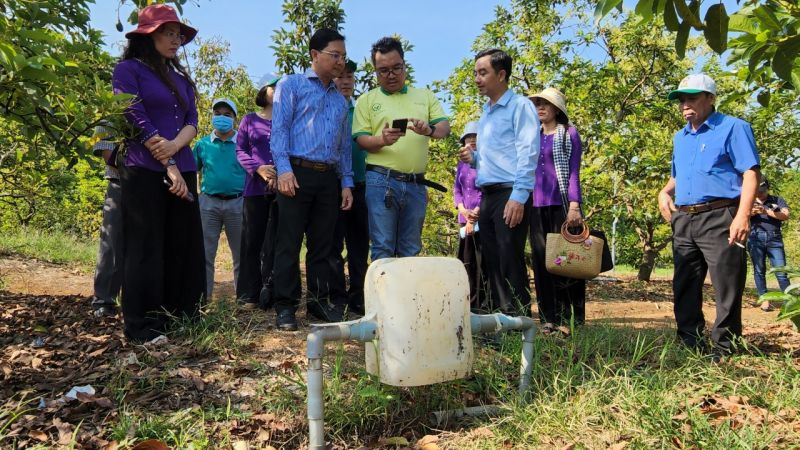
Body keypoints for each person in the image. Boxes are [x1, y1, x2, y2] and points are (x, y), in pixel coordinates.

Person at [113, 4, 205, 342]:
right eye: (168, 33)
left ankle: (183, 316)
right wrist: (167, 162)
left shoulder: (181, 79)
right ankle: (143, 325)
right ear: (147, 36)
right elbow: (133, 113)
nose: (176, 40)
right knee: (145, 246)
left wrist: (175, 148)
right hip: (144, 167)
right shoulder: (127, 70)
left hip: (184, 165)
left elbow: (192, 120)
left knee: (182, 243)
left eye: (178, 34)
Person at [657, 73, 760, 360]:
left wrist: (742, 216)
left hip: (720, 216)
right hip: (684, 218)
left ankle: (725, 347)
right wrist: (664, 192)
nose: (685, 105)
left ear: (710, 98)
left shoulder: (733, 127)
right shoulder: (681, 137)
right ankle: (689, 341)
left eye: (692, 98)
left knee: (726, 285)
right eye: (681, 100)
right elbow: (677, 176)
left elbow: (750, 173)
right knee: (684, 283)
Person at [271, 28, 354, 331]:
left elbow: (343, 148)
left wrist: (346, 183)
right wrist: (283, 169)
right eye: (335, 55)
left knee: (323, 245)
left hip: (328, 179)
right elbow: (279, 130)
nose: (340, 61)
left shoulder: (341, 102)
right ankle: (285, 306)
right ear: (315, 55)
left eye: (343, 56)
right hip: (296, 173)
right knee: (289, 242)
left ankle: (318, 303)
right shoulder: (291, 85)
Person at [353, 36, 450, 261]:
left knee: (411, 249)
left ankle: (408, 287)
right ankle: (382, 286)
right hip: (381, 180)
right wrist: (382, 140)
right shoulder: (366, 100)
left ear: (405, 66)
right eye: (383, 70)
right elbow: (361, 140)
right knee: (382, 247)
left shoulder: (424, 96)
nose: (391, 75)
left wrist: (428, 130)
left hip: (416, 183)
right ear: (375, 72)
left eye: (396, 68)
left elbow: (444, 128)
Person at [459, 48, 539, 315]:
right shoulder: (486, 113)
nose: (477, 79)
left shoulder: (520, 106)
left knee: (509, 258)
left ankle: (519, 321)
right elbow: (497, 157)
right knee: (491, 261)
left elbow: (528, 151)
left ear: (501, 75)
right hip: (489, 194)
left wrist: (519, 196)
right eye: (475, 73)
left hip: (509, 193)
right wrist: (474, 159)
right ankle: (500, 321)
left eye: (483, 73)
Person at [527, 88, 585, 333]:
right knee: (541, 262)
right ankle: (548, 319)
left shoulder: (569, 133)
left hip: (561, 205)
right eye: (537, 103)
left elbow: (573, 172)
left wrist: (574, 206)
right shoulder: (533, 136)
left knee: (565, 261)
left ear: (557, 109)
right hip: (535, 206)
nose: (540, 107)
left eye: (546, 103)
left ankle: (569, 319)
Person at [193, 98, 245, 299]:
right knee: (205, 253)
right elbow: (191, 170)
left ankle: (243, 297)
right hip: (208, 203)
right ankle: (203, 298)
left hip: (238, 203)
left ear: (234, 118)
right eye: (218, 114)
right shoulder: (203, 144)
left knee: (241, 253)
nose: (222, 118)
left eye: (227, 114)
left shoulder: (244, 143)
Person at [329, 60, 370, 314]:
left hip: (362, 186)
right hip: (332, 186)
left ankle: (359, 296)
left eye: (349, 77)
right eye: (340, 77)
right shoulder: (327, 108)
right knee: (332, 244)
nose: (345, 81)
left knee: (359, 245)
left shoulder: (362, 110)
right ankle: (336, 297)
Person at [236, 76, 280, 310]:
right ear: (264, 91)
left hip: (282, 187)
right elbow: (240, 151)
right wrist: (259, 169)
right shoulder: (249, 120)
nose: (278, 90)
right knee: (251, 241)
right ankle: (248, 294)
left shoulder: (287, 120)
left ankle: (272, 292)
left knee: (276, 242)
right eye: (274, 86)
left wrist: (279, 175)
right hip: (254, 188)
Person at [90, 123, 123, 318]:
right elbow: (108, 156)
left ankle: (139, 300)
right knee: (112, 241)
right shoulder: (108, 119)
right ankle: (104, 300)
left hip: (150, 184)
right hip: (119, 183)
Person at [454, 121, 485, 311]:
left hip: (481, 218)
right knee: (465, 262)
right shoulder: (461, 163)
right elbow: (457, 189)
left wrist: (475, 215)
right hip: (464, 220)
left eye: (475, 137)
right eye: (468, 138)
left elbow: (486, 190)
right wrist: (462, 209)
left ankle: (482, 305)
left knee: (480, 264)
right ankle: (467, 305)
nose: (472, 140)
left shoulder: (485, 161)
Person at [748, 177, 791, 311]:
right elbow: (739, 216)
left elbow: (785, 215)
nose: (760, 193)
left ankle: (789, 301)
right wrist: (751, 213)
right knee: (759, 270)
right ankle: (764, 300)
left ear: (767, 188)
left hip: (774, 238)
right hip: (755, 237)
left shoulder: (777, 200)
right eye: (758, 190)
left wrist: (766, 211)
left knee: (781, 271)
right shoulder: (748, 200)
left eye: (762, 190)